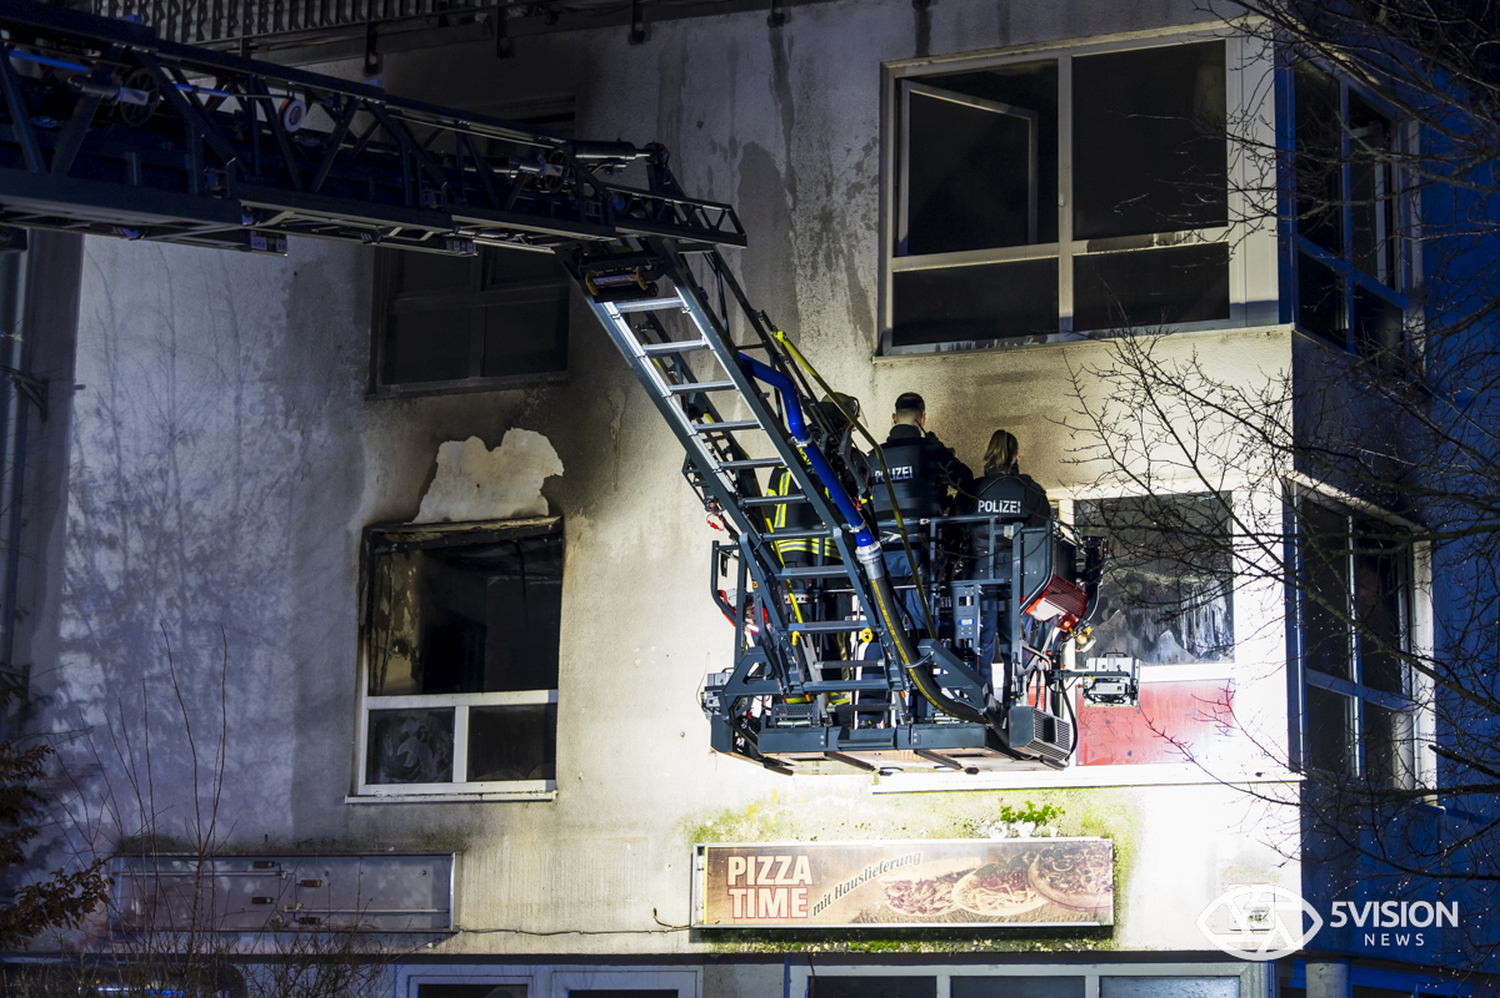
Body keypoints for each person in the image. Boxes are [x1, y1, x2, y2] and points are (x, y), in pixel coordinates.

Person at [866, 392, 975, 634]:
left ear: (893, 418)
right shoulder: (930, 452)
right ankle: (919, 667)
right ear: (923, 419)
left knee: (885, 620)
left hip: (881, 548)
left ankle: (881, 668)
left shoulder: (873, 456)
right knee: (920, 620)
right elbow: (967, 483)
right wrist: (942, 453)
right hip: (922, 546)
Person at [964, 429, 1050, 676]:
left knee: (981, 645)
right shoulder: (1030, 489)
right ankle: (1017, 698)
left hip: (981, 576)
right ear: (1017, 456)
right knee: (1017, 644)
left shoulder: (973, 490)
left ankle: (982, 702)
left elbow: (958, 531)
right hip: (1019, 578)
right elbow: (1043, 535)